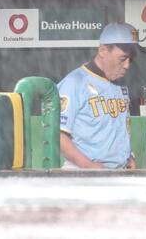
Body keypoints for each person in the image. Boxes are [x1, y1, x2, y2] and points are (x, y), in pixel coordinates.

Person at [58, 22, 140, 169]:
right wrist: (89, 166)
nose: (127, 65)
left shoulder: (120, 84)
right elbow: (58, 136)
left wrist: (129, 157)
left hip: (117, 173)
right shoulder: (74, 83)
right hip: (82, 174)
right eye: (122, 59)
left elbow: (117, 129)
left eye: (131, 59)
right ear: (103, 50)